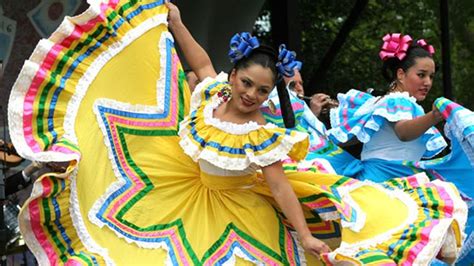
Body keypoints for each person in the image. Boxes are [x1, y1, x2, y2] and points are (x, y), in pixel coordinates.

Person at [168, 3, 467, 264]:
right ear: (232, 76)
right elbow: (203, 63)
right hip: (193, 195)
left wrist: (308, 236)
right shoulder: (215, 97)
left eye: (262, 90)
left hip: (240, 209)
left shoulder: (259, 134)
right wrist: (177, 23)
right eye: (246, 83)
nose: (250, 94)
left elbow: (281, 187)